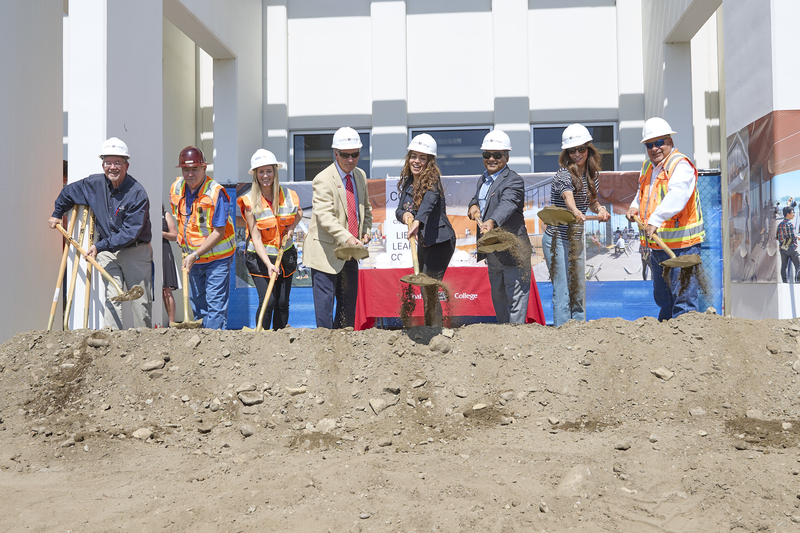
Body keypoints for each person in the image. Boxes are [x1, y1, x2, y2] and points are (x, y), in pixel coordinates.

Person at [48, 137, 152, 329]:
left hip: (134, 250)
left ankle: (143, 344)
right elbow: (68, 192)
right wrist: (57, 214)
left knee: (140, 302)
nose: (112, 167)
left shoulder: (137, 193)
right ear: (103, 164)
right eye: (108, 162)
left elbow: (130, 232)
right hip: (107, 252)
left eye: (117, 163)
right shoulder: (94, 184)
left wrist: (99, 245)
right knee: (113, 295)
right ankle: (111, 340)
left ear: (126, 165)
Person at [626, 117, 704, 320]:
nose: (654, 148)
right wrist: (634, 206)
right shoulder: (647, 167)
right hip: (658, 247)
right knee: (664, 299)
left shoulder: (680, 165)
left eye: (659, 142)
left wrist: (656, 218)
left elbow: (677, 195)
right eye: (650, 145)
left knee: (684, 301)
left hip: (682, 246)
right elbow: (642, 193)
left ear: (670, 140)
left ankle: (686, 343)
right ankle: (667, 343)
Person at [303, 127, 372, 329]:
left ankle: (344, 351)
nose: (350, 159)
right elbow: (325, 216)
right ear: (335, 153)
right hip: (325, 253)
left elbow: (365, 208)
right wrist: (349, 237)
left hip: (350, 253)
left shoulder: (360, 175)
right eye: (345, 155)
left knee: (347, 310)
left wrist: (365, 230)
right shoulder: (323, 179)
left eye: (355, 154)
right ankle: (325, 352)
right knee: (324, 313)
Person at [542, 124, 610, 326]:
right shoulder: (563, 174)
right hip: (557, 239)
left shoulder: (592, 176)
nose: (577, 154)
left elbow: (592, 201)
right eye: (572, 150)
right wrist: (574, 210)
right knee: (563, 289)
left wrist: (600, 210)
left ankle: (579, 331)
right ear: (567, 153)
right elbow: (568, 195)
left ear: (589, 149)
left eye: (581, 149)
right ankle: (563, 335)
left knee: (578, 287)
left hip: (575, 238)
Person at [467, 130, 532, 324]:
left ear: (507, 156)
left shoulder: (514, 180)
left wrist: (492, 221)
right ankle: (504, 343)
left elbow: (508, 204)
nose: (491, 159)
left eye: (497, 155)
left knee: (516, 301)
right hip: (493, 251)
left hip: (513, 251)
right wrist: (472, 206)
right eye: (487, 155)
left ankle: (515, 344)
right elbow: (478, 199)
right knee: (499, 299)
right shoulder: (483, 179)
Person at [169, 146, 236, 329]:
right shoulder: (176, 188)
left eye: (195, 169)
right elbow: (181, 217)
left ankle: (214, 347)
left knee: (215, 304)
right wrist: (181, 238)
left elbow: (218, 232)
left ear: (204, 168)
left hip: (217, 259)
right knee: (198, 304)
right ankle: (204, 346)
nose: (190, 174)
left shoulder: (216, 193)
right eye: (186, 170)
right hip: (193, 258)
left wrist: (195, 254)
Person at [237, 149, 302, 330]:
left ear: (275, 171)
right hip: (260, 258)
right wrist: (268, 264)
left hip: (285, 256)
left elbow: (300, 213)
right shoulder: (249, 201)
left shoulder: (288, 195)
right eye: (261, 171)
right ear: (256, 175)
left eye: (269, 171)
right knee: (269, 300)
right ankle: (262, 342)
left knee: (282, 302)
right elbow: (256, 238)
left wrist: (291, 227)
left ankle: (279, 342)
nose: (265, 175)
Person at [395, 134, 456, 326]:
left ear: (429, 162)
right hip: (423, 242)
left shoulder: (433, 180)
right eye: (414, 156)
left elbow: (428, 203)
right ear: (408, 158)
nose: (417, 161)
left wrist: (417, 221)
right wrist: (404, 216)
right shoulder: (408, 183)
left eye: (423, 158)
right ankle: (432, 327)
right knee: (425, 288)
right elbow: (399, 210)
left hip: (440, 242)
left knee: (429, 287)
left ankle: (435, 330)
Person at [162, 205, 180, 325]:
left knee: (166, 289)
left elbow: (175, 236)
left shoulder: (165, 214)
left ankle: (171, 322)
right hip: (147, 251)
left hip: (164, 250)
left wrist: (162, 233)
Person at [777, 206, 800, 283]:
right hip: (791, 248)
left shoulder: (780, 225)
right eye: (792, 212)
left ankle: (784, 282)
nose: (793, 214)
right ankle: (798, 281)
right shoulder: (790, 224)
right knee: (798, 265)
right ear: (788, 214)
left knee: (783, 266)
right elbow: (793, 237)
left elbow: (777, 237)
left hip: (783, 248)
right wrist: (797, 237)